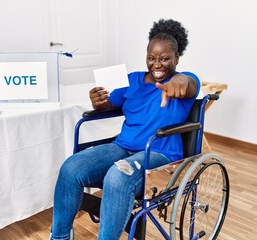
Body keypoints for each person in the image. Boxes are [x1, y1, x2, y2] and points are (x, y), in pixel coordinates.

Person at [50, 19, 200, 240]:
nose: (157, 64)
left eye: (165, 58)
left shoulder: (184, 80)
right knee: (71, 168)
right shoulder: (132, 81)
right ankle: (59, 236)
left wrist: (180, 80)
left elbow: (189, 85)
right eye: (152, 58)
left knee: (117, 176)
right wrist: (98, 101)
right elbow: (109, 104)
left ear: (177, 58)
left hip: (160, 154)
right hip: (122, 147)